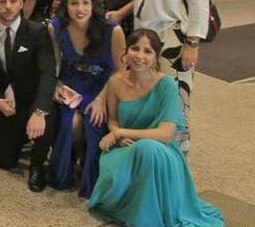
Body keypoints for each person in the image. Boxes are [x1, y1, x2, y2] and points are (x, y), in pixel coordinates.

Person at [88, 29, 224, 227]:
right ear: (126, 52)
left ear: (156, 57)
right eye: (135, 48)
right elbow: (114, 120)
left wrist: (121, 132)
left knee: (148, 149)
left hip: (163, 150)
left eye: (148, 51)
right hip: (125, 148)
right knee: (138, 151)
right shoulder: (115, 82)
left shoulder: (167, 85)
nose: (140, 56)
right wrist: (118, 135)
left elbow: (166, 134)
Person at [134, 0, 210, 154]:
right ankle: (158, 164)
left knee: (175, 110)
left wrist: (192, 44)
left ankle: (177, 168)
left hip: (174, 41)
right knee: (154, 106)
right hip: (149, 44)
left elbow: (199, 1)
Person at [46, 0, 125, 198]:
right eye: (73, 3)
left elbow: (120, 71)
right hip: (70, 82)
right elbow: (53, 64)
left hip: (103, 85)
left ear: (93, 4)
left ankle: (91, 175)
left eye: (85, 2)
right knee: (70, 122)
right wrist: (56, 85)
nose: (79, 9)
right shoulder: (56, 27)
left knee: (94, 122)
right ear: (66, 6)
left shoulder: (112, 30)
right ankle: (74, 161)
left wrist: (101, 99)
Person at [0, 0, 57, 192]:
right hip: (10, 104)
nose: (7, 6)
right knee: (6, 161)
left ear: (21, 3)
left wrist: (40, 111)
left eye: (12, 1)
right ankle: (22, 136)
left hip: (35, 99)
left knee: (45, 122)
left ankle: (38, 164)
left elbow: (48, 73)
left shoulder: (36, 31)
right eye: (2, 1)